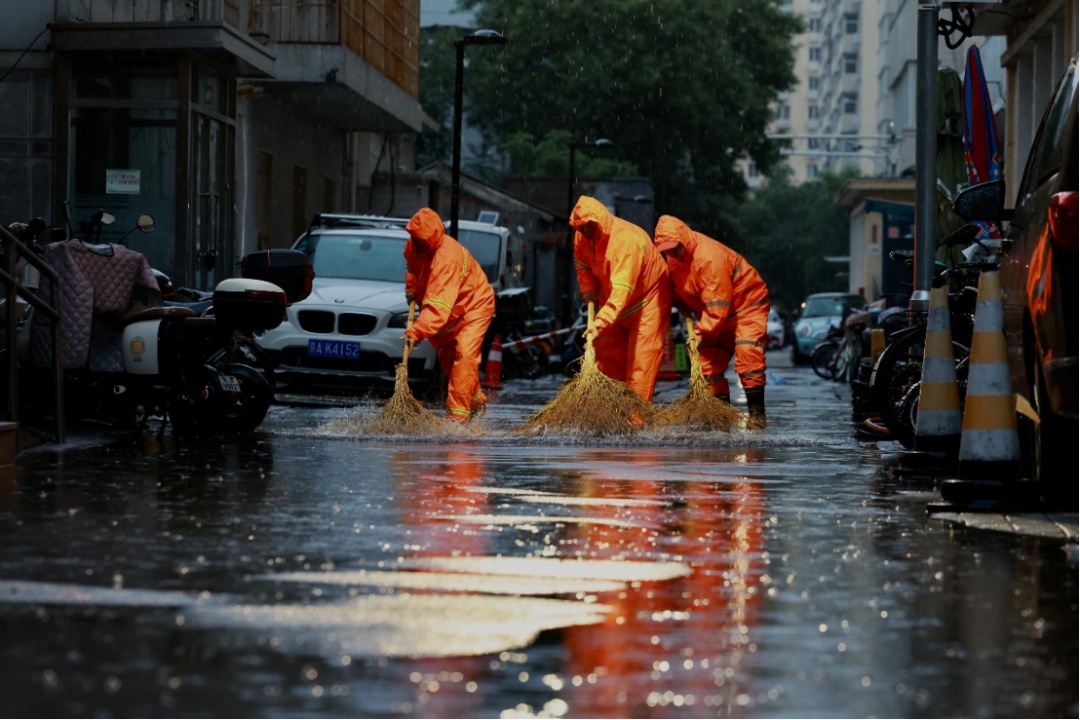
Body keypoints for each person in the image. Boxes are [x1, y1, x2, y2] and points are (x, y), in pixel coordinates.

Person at [653, 214, 770, 429]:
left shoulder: (708, 258)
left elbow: (718, 305)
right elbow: (680, 284)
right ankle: (720, 417)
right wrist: (680, 301)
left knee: (748, 353)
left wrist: (699, 332)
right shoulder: (673, 257)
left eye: (674, 247)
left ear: (683, 238)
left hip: (746, 306)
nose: (671, 252)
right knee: (707, 365)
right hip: (715, 314)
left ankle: (757, 415)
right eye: (666, 249)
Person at [570, 196, 671, 402]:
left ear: (600, 220)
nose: (586, 232)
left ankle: (635, 424)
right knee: (607, 360)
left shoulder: (625, 241)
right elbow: (583, 266)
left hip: (648, 302)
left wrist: (600, 321)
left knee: (640, 367)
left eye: (590, 226)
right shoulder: (581, 237)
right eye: (582, 228)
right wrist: (588, 290)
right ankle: (612, 415)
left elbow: (622, 291)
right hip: (614, 304)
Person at [401, 208, 495, 423]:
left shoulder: (447, 258)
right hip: (454, 309)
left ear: (432, 237)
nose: (417, 244)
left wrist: (416, 331)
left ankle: (457, 419)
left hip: (474, 305)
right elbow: (413, 269)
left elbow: (438, 306)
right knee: (447, 357)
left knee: (465, 354)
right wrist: (412, 288)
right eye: (415, 239)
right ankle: (476, 401)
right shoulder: (414, 245)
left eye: (421, 240)